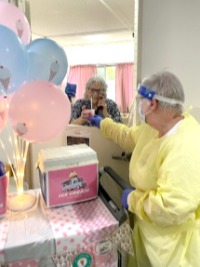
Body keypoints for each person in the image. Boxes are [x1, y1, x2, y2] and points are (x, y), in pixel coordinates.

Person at [88, 70, 200, 267]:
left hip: (172, 247)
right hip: (147, 231)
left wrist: (133, 199)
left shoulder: (185, 145)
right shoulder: (154, 127)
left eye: (140, 102)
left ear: (152, 103)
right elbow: (129, 136)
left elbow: (171, 207)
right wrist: (102, 124)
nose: (139, 107)